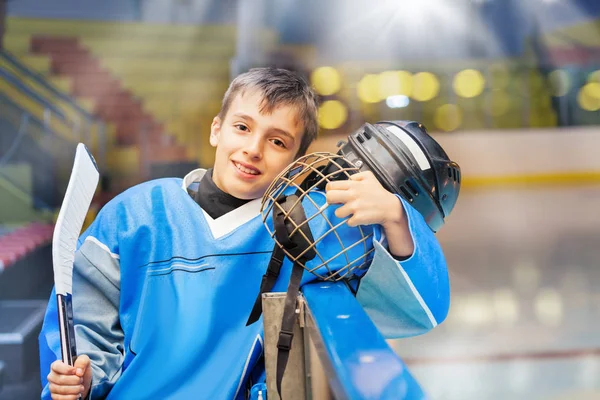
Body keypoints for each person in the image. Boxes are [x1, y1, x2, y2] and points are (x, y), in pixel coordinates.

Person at [39, 67, 449, 400]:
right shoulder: (135, 215)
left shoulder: (313, 225)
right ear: (217, 130)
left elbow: (420, 310)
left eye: (277, 141)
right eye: (242, 127)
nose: (253, 149)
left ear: (297, 159)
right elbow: (83, 324)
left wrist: (397, 218)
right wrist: (82, 380)